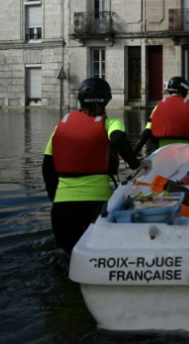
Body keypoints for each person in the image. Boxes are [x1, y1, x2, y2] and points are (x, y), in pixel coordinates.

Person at [42, 77, 149, 253]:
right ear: (107, 99)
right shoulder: (111, 123)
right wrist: (135, 163)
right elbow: (118, 138)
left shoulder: (60, 126)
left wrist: (55, 198)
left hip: (63, 207)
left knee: (65, 258)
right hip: (96, 204)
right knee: (97, 256)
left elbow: (47, 166)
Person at [134, 76, 189, 155]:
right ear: (184, 91)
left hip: (163, 151)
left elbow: (146, 133)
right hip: (185, 150)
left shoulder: (158, 107)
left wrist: (134, 154)